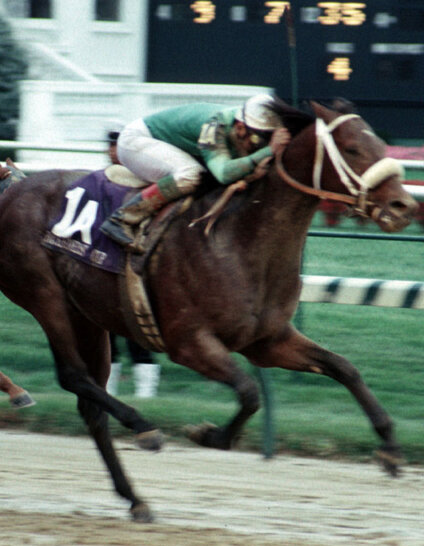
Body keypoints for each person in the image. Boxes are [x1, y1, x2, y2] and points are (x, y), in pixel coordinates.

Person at [99, 93, 290, 249]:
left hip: (166, 145)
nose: (259, 146)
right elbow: (222, 173)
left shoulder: (239, 126)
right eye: (258, 140)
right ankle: (123, 217)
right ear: (240, 127)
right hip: (135, 142)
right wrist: (269, 150)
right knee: (191, 175)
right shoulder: (215, 126)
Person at [103, 127, 162, 397]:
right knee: (107, 334)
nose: (112, 151)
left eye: (116, 146)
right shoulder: (102, 180)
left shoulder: (145, 180)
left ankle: (146, 395)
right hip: (106, 263)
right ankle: (109, 391)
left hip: (136, 263)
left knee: (138, 332)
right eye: (110, 146)